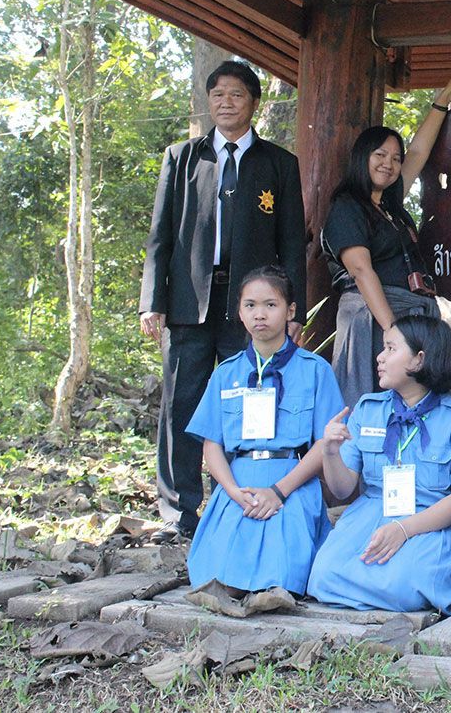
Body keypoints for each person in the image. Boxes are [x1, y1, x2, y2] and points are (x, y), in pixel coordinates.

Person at [139, 60, 306, 543]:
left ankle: (239, 499)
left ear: (254, 103)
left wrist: (289, 310)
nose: (226, 102)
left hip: (252, 306)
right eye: (218, 95)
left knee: (248, 403)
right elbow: (160, 237)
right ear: (208, 102)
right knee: (182, 402)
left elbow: (292, 243)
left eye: (236, 95)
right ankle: (179, 511)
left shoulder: (278, 164)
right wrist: (154, 300)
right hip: (190, 301)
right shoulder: (182, 157)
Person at [307, 314, 451, 613]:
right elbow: (343, 486)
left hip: (429, 521)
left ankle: (447, 578)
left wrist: (403, 529)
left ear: (418, 360)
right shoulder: (368, 408)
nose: (380, 357)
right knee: (321, 577)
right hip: (370, 515)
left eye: (390, 348)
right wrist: (330, 453)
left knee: (404, 588)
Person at [184, 266, 341, 595]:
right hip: (238, 487)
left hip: (291, 485)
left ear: (290, 311)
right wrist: (231, 491)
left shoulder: (315, 371)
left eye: (271, 305)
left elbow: (324, 445)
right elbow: (211, 444)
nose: (260, 315)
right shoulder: (226, 374)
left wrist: (279, 492)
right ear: (239, 312)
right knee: (214, 576)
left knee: (283, 575)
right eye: (250, 305)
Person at [322, 76, 451, 407]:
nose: (389, 163)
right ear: (362, 157)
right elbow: (362, 272)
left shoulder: (390, 205)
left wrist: (441, 101)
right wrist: (392, 332)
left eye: (395, 158)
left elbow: (419, 150)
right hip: (376, 317)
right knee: (374, 403)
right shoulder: (347, 206)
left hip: (414, 316)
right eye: (380, 155)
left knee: (424, 402)